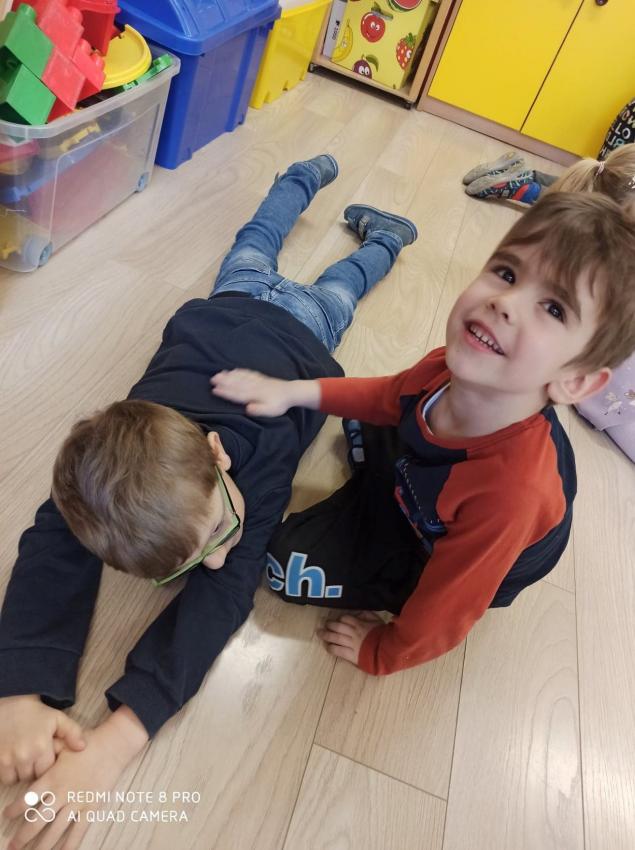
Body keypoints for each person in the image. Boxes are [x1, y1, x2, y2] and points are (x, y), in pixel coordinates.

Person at [0, 155, 419, 848]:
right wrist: (18, 691)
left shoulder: (260, 457)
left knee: (334, 282)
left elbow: (224, 595)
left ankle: (371, 228)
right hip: (223, 312)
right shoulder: (126, 464)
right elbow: (56, 536)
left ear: (220, 457)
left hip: (301, 335)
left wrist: (117, 740)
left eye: (219, 530)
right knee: (261, 245)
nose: (222, 555)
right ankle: (315, 191)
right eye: (196, 556)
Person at [210, 192, 635, 675]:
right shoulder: (451, 367)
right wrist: (291, 392)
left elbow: (449, 607)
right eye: (507, 273)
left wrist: (384, 651)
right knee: (370, 416)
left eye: (554, 309)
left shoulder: (509, 497)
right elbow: (388, 396)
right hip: (447, 472)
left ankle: (396, 504)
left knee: (284, 567)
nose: (505, 302)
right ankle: (394, 481)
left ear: (575, 382)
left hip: (462, 552)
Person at [461, 97, 635, 203]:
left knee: (592, 186)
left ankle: (525, 174)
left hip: (624, 146)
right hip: (626, 171)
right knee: (594, 214)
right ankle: (523, 189)